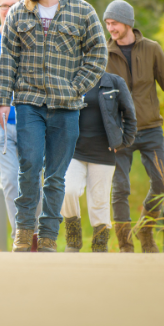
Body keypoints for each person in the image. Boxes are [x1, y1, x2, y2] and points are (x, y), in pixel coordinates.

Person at [0, 0, 108, 253]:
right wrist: (3, 102)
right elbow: (7, 61)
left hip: (67, 107)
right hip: (29, 103)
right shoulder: (19, 14)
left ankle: (48, 235)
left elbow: (98, 54)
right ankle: (23, 230)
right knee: (29, 166)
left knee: (56, 175)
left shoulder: (82, 12)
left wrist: (76, 87)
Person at [103, 0, 164, 253]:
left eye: (114, 23)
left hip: (151, 129)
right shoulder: (104, 55)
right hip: (120, 134)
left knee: (162, 183)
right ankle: (125, 245)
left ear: (128, 23)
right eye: (107, 24)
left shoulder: (152, 49)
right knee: (120, 189)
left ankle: (146, 228)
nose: (110, 29)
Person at [0, 0, 42, 240]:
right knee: (10, 181)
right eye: (4, 5)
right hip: (2, 126)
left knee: (33, 182)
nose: (9, 10)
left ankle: (36, 235)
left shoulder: (33, 38)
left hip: (33, 122)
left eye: (13, 5)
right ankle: (20, 235)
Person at [60, 72, 136, 252]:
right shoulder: (70, 77)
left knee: (99, 202)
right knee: (67, 190)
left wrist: (122, 141)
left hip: (103, 152)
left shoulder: (115, 81)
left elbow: (130, 115)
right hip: (73, 150)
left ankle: (100, 246)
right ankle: (73, 236)